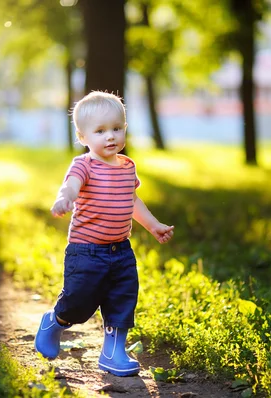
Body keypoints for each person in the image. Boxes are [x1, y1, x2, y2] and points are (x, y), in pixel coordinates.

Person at [34, 91, 174, 377]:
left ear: (125, 129)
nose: (110, 136)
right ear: (83, 137)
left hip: (121, 250)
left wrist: (154, 225)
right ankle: (55, 321)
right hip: (86, 251)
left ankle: (113, 352)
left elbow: (132, 201)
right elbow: (71, 185)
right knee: (78, 302)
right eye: (100, 131)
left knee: (122, 299)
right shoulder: (83, 164)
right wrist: (65, 198)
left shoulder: (127, 166)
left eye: (116, 128)